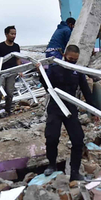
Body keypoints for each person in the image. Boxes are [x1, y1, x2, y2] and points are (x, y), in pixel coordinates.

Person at [37, 45, 93, 181]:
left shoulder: (77, 71)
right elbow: (47, 86)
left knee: (78, 139)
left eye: (75, 60)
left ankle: (75, 172)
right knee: (52, 137)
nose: (72, 62)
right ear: (64, 56)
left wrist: (94, 109)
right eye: (70, 59)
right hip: (55, 107)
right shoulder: (55, 68)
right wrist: (40, 72)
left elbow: (85, 90)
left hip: (70, 108)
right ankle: (52, 164)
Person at [0, 25, 21, 115]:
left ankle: (8, 109)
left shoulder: (16, 47)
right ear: (6, 34)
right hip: (1, 72)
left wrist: (20, 70)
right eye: (12, 34)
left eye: (15, 34)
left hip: (12, 72)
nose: (14, 36)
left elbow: (18, 59)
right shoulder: (0, 46)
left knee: (9, 92)